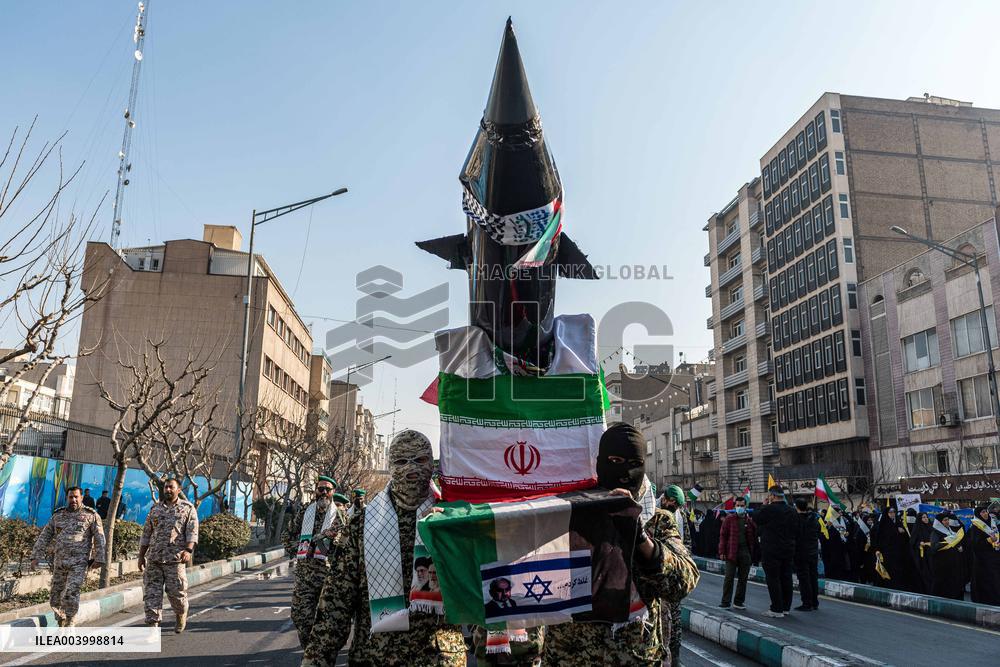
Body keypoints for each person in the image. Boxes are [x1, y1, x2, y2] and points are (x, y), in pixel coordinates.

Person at [302, 430, 465, 666]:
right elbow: (336, 602)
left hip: (438, 657)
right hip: (375, 656)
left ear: (432, 464)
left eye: (419, 460)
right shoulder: (363, 525)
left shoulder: (454, 519)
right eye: (401, 462)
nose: (411, 469)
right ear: (390, 466)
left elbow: (478, 588)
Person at [543, 422, 700, 666]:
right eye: (615, 461)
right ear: (600, 463)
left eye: (634, 465)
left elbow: (683, 582)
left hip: (636, 656)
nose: (625, 473)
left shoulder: (657, 521)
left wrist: (640, 539)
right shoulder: (570, 514)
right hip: (571, 655)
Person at [282, 475, 345, 650]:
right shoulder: (305, 512)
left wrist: (332, 540)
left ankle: (318, 654)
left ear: (333, 492)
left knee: (327, 621)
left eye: (327, 489)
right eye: (320, 489)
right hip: (305, 575)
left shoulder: (340, 515)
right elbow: (287, 536)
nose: (323, 492)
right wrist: (301, 548)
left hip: (328, 576)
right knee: (301, 617)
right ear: (315, 491)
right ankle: (309, 650)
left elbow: (345, 545)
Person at [30, 486, 106, 627]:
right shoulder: (58, 516)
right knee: (55, 597)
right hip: (59, 563)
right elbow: (45, 536)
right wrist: (36, 556)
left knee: (71, 591)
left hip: (79, 563)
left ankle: (70, 622)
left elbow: (99, 538)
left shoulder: (91, 515)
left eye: (76, 497)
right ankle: (61, 620)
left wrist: (99, 558)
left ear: (82, 497)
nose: (74, 500)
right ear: (67, 498)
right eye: (71, 497)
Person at [138, 478, 199, 632]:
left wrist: (188, 550)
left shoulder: (187, 508)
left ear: (178, 490)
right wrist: (141, 556)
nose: (168, 490)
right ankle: (152, 626)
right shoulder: (155, 509)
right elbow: (147, 533)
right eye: (166, 487)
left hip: (175, 559)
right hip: (154, 559)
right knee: (151, 594)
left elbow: (192, 531)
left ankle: (180, 614)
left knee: (177, 594)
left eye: (171, 487)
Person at [753, 485, 797, 618]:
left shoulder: (769, 509)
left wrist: (763, 505)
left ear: (772, 496)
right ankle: (785, 607)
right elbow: (797, 529)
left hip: (771, 549)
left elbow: (757, 517)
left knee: (773, 578)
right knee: (786, 577)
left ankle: (776, 608)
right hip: (788, 548)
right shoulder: (792, 510)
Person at [718, 496, 756, 610]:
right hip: (731, 552)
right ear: (735, 506)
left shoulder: (749, 521)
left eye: (742, 505)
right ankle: (725, 601)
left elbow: (753, 536)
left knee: (743, 578)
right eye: (738, 505)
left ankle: (738, 602)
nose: (739, 507)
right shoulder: (729, 519)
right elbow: (723, 536)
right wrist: (722, 552)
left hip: (745, 552)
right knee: (729, 577)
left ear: (746, 506)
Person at [929, 510, 970, 600]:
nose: (947, 522)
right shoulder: (935, 532)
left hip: (954, 564)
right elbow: (934, 547)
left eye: (947, 520)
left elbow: (955, 542)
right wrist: (947, 541)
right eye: (944, 520)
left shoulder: (949, 530)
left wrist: (959, 547)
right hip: (943, 565)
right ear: (939, 522)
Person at [969, 503, 1000, 605]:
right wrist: (989, 540)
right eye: (983, 512)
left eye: (986, 511)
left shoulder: (992, 524)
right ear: (978, 514)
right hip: (983, 560)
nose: (986, 513)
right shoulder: (975, 527)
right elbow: (975, 544)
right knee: (987, 581)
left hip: (995, 556)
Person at [793, 498, 820, 611]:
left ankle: (806, 603)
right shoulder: (814, 519)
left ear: (797, 507)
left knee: (804, 579)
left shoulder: (798, 520)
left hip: (802, 553)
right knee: (813, 577)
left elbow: (796, 536)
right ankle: (814, 602)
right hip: (813, 552)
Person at [909, 511, 934, 593]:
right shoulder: (917, 528)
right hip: (922, 555)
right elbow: (912, 541)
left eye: (926, 517)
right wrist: (919, 543)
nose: (926, 518)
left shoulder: (931, 527)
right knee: (925, 573)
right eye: (923, 517)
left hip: (932, 553)